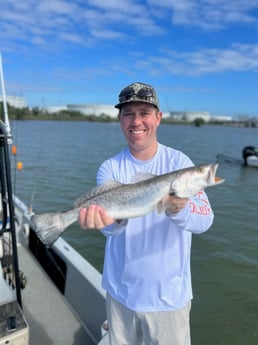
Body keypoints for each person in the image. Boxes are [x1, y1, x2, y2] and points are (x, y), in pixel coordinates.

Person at [79, 82, 214, 345]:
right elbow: (110, 229)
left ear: (158, 118)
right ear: (119, 119)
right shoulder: (110, 168)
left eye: (144, 112)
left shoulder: (180, 164)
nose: (136, 121)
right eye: (128, 113)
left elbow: (205, 220)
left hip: (168, 300)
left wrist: (180, 209)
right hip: (120, 296)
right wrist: (106, 222)